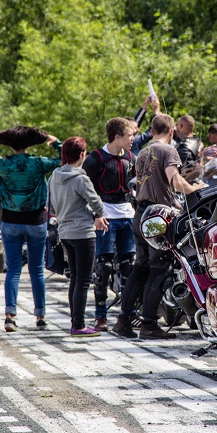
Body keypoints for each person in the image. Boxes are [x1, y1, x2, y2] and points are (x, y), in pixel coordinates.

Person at [112, 114, 205, 340]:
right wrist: (197, 191)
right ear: (172, 131)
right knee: (158, 269)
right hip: (157, 218)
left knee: (140, 267)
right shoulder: (168, 151)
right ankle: (149, 325)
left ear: (152, 130)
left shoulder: (142, 152)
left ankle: (123, 320)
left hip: (140, 215)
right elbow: (174, 181)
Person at [0, 126, 62, 332]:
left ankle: (10, 315)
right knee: (36, 271)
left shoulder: (3, 165)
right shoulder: (39, 163)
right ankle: (40, 315)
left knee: (13, 270)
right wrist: (53, 140)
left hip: (11, 222)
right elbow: (63, 159)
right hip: (37, 222)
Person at [49, 137, 109, 337]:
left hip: (65, 232)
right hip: (83, 233)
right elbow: (96, 203)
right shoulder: (80, 178)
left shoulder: (54, 177)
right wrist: (99, 215)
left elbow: (52, 207)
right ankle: (80, 325)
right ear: (82, 154)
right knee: (83, 280)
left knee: (74, 278)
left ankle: (75, 322)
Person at [82, 118, 137, 331]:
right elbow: (84, 188)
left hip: (128, 215)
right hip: (105, 215)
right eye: (129, 135)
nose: (133, 138)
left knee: (129, 266)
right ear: (117, 137)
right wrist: (95, 213)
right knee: (103, 267)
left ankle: (129, 314)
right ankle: (100, 315)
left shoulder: (132, 157)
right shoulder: (95, 159)